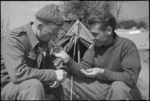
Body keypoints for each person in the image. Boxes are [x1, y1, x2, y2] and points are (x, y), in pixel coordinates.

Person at [53, 12, 142, 100]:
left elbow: (131, 78)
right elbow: (83, 71)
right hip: (100, 88)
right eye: (91, 34)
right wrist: (67, 59)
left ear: (108, 30)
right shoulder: (94, 47)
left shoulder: (126, 45)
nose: (91, 37)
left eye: (95, 34)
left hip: (120, 89)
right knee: (66, 82)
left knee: (119, 87)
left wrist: (102, 72)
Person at [1, 4, 67, 100]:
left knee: (61, 86)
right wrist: (53, 74)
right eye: (52, 33)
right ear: (40, 26)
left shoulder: (43, 40)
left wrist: (55, 77)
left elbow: (48, 64)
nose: (53, 38)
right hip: (9, 86)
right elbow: (18, 74)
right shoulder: (15, 38)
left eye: (56, 35)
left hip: (29, 83)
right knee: (33, 86)